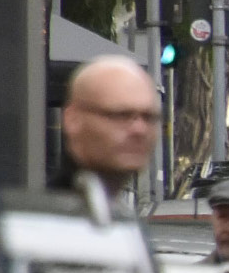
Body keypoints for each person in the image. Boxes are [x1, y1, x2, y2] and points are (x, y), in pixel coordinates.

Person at [54, 56, 161, 197]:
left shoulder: (115, 214)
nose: (139, 130)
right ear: (73, 119)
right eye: (121, 115)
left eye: (148, 117)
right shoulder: (39, 216)